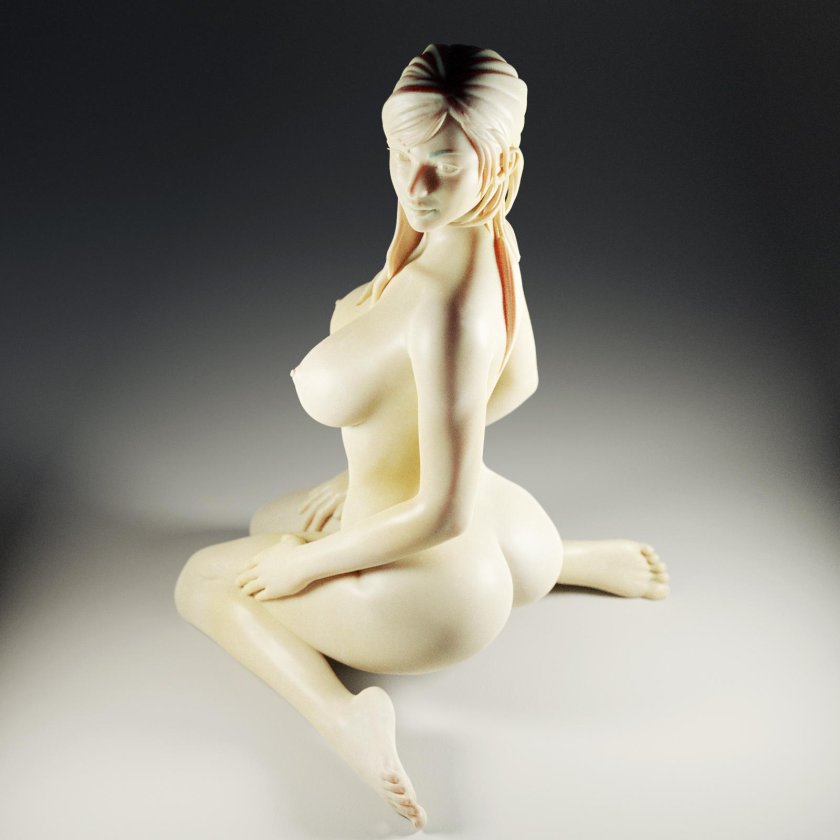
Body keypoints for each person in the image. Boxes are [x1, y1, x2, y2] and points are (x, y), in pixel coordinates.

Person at [175, 44, 669, 831]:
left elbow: (441, 511)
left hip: (433, 593)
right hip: (500, 532)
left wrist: (310, 562)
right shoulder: (491, 240)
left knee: (202, 580)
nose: (416, 184)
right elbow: (521, 379)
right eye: (402, 155)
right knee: (272, 516)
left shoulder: (443, 309)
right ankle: (558, 561)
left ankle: (343, 717)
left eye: (443, 164)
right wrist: (368, 471)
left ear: (498, 163)